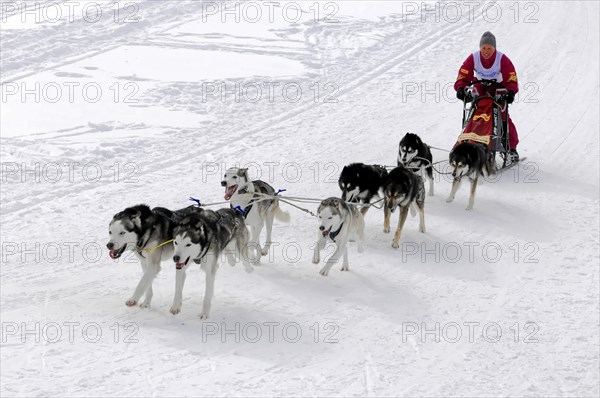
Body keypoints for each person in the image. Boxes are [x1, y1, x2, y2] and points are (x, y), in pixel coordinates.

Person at [454, 31, 520, 162]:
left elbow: (511, 77)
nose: (486, 51)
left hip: (498, 89)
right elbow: (463, 74)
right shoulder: (473, 58)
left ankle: (511, 147)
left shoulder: (502, 59)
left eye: (489, 48)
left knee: (502, 115)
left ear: (494, 48)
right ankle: (470, 141)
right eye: (483, 48)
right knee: (476, 114)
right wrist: (461, 88)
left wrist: (511, 91)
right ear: (480, 48)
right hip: (480, 88)